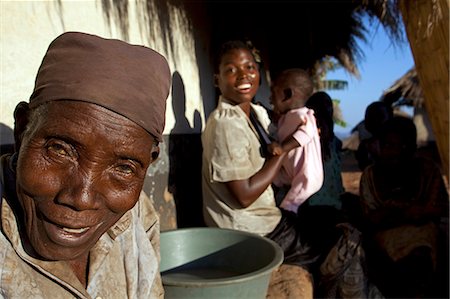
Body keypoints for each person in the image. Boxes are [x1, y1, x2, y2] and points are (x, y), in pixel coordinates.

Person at [0, 32, 171, 298]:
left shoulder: (137, 219)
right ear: (22, 131)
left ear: (149, 163)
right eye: (60, 150)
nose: (81, 198)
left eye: (124, 168)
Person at [359, 116, 449, 298]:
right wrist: (408, 213)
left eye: (402, 146)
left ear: (412, 148)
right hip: (385, 238)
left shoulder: (427, 171)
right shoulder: (370, 176)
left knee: (422, 261)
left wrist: (408, 214)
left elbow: (438, 208)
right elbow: (371, 219)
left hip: (424, 237)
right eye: (388, 146)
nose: (394, 152)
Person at [269, 69, 324, 213]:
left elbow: (306, 133)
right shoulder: (286, 117)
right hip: (291, 171)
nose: (270, 99)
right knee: (275, 180)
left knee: (290, 203)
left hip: (307, 174)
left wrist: (283, 148)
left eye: (273, 93)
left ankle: (288, 218)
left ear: (287, 95)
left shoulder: (305, 116)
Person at [304, 91, 345, 210]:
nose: (328, 109)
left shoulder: (333, 141)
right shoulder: (310, 137)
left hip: (318, 202)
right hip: (324, 202)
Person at [355, 101, 393, 171]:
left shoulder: (396, 144)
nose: (376, 121)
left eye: (380, 117)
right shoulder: (365, 146)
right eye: (371, 117)